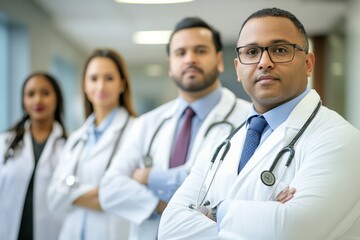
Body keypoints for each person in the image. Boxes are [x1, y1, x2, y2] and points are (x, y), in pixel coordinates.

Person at [158, 7, 360, 240]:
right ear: (237, 69)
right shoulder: (221, 144)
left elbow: (291, 230)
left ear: (308, 63)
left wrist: (215, 211)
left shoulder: (341, 140)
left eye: (280, 50)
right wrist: (263, 214)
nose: (264, 62)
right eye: (252, 52)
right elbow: (170, 228)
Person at [98, 17, 251, 240]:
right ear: (170, 65)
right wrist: (165, 206)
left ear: (219, 60)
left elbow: (225, 189)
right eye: (180, 53)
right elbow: (110, 189)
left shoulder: (246, 119)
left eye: (200, 51)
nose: (190, 59)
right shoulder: (148, 123)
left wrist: (148, 177)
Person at [47, 49, 136, 240]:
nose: (100, 86)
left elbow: (131, 196)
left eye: (109, 78)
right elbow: (53, 197)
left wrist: (71, 193)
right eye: (93, 78)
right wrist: (100, 194)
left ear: (122, 84)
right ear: (85, 86)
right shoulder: (77, 138)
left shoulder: (137, 131)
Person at [0, 72, 67, 240]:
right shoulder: (5, 142)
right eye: (31, 94)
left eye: (45, 93)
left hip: (55, 231)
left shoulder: (71, 145)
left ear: (56, 98)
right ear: (23, 100)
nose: (38, 100)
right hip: (10, 229)